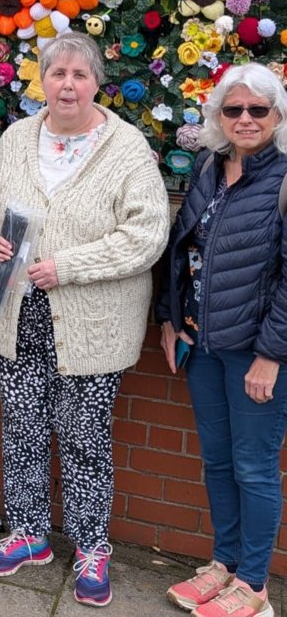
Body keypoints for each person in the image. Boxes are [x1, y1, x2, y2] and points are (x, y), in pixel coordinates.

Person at [0, 32, 169, 608]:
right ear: (43, 81)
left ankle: (91, 547)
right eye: (58, 74)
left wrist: (68, 267)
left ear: (97, 82)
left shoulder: (126, 148)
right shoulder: (16, 138)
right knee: (22, 427)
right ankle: (29, 533)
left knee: (84, 437)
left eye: (80, 75)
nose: (68, 85)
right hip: (16, 311)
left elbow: (147, 234)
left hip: (91, 324)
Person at [157, 63, 287, 617]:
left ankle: (254, 587)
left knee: (254, 467)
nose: (246, 119)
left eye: (258, 109)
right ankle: (224, 565)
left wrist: (272, 354)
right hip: (202, 345)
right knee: (217, 461)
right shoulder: (209, 166)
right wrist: (170, 319)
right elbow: (181, 247)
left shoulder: (283, 180)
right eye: (234, 109)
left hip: (256, 352)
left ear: (277, 116)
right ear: (218, 116)